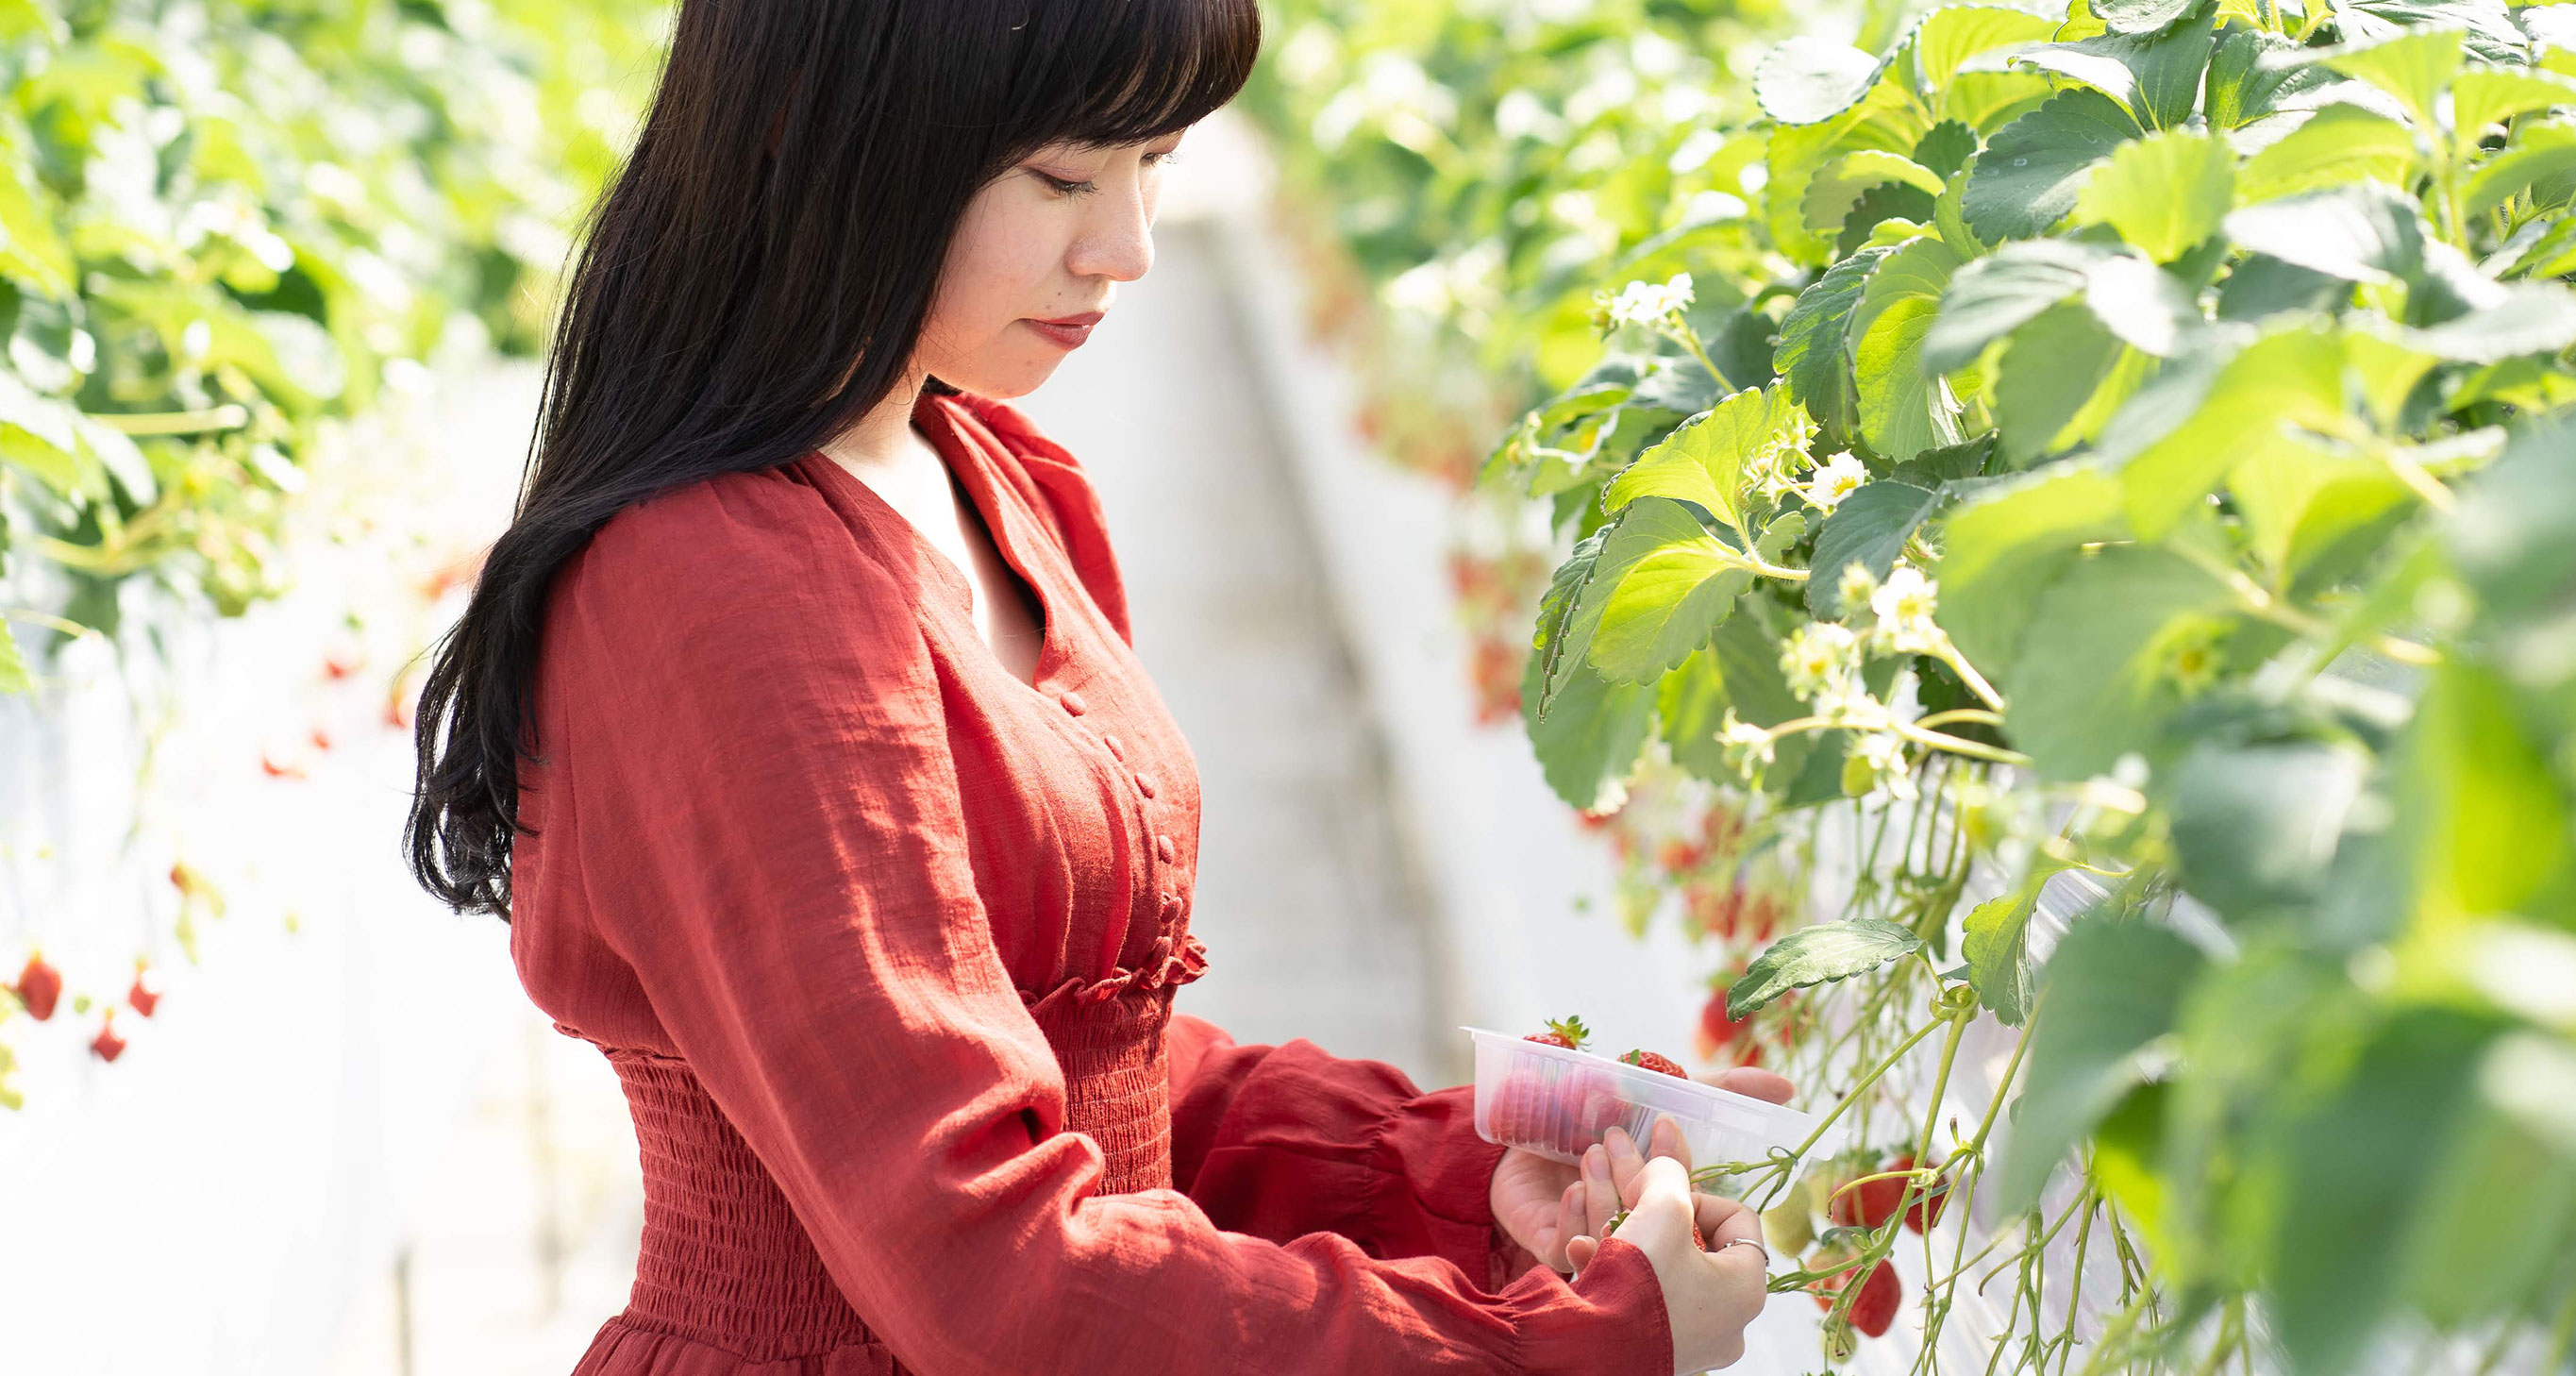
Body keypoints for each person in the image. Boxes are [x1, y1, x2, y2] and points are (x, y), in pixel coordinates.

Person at [401, 1, 1787, 1371]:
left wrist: (1456, 1165)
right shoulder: (717, 588)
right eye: (1062, 175)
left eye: (1157, 164)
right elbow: (992, 1264)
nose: (1123, 247)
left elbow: (1091, 1068)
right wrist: (1558, 1344)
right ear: (821, 131)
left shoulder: (986, 473)